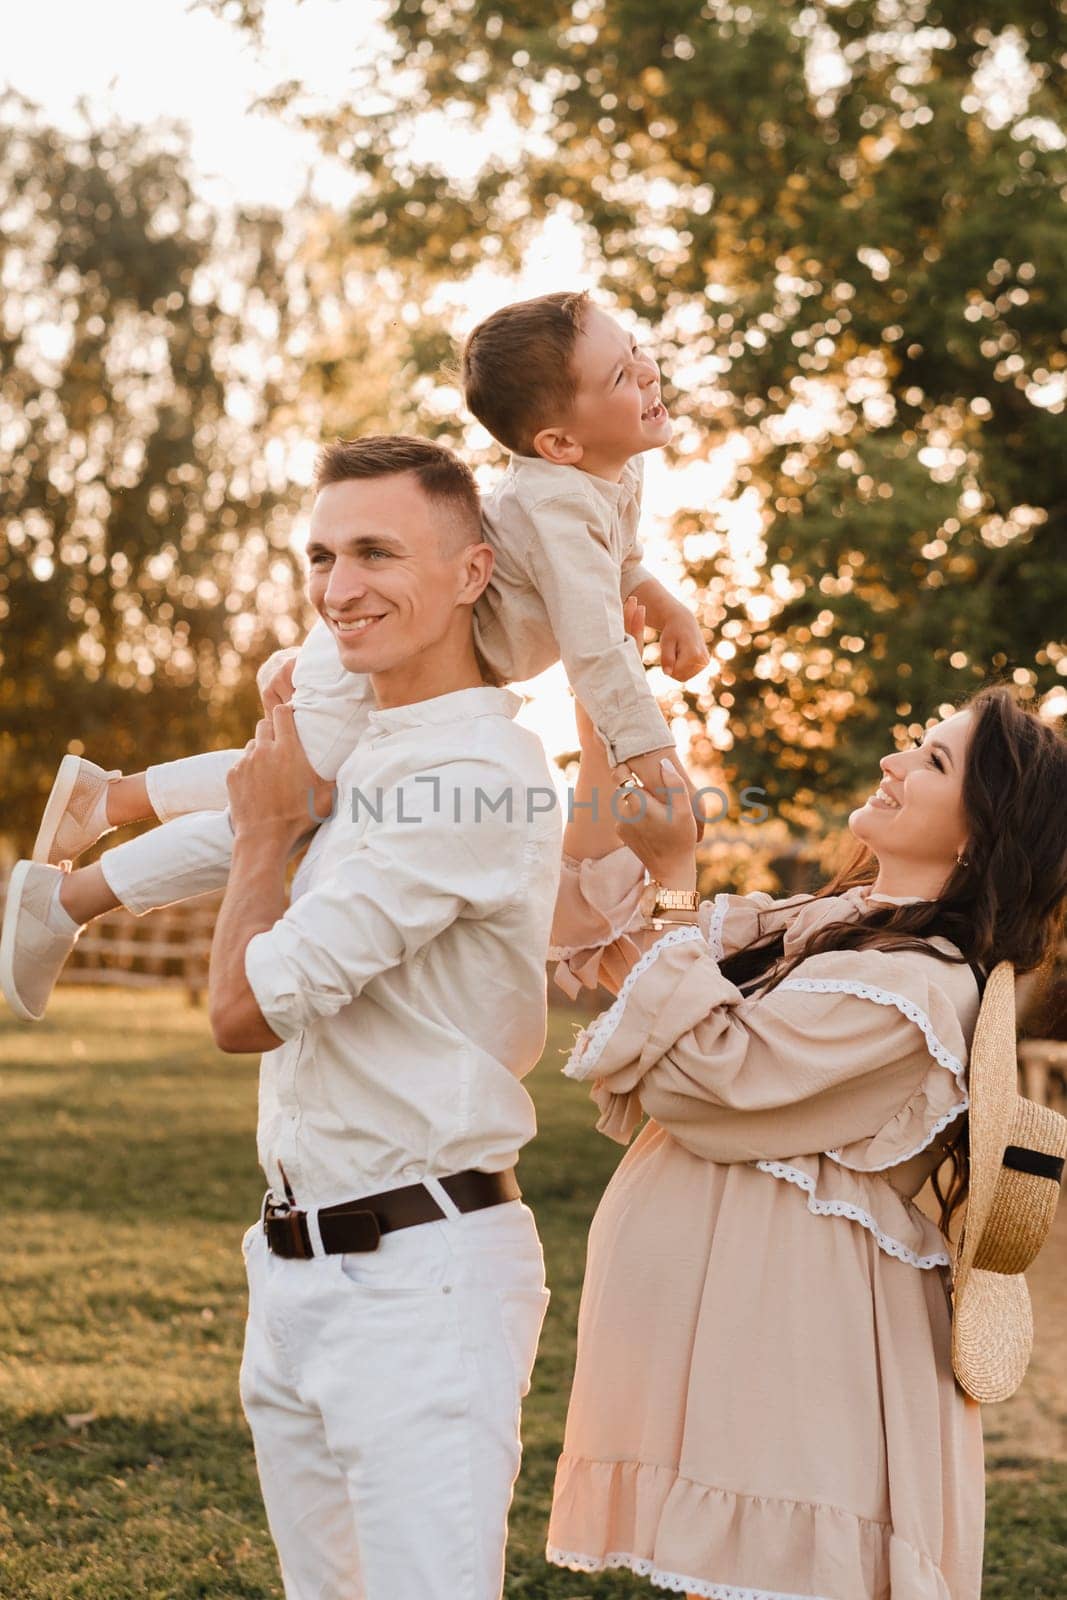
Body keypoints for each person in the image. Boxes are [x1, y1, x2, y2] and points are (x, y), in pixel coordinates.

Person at [9, 437, 565, 1600]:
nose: (337, 586)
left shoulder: (480, 773)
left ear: (471, 573)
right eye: (319, 556)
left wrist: (265, 836)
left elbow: (244, 1010)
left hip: (424, 1279)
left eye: (373, 552)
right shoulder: (358, 752)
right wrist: (251, 822)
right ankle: (55, 903)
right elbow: (244, 824)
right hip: (294, 1263)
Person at [544, 612, 1067, 1600]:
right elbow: (596, 933)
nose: (892, 756)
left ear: (981, 822)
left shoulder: (917, 986)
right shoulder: (831, 924)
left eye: (930, 757)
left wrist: (672, 878)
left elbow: (709, 1078)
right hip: (737, 1339)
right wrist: (595, 707)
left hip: (796, 1346)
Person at [1, 291, 708, 1022]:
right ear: (559, 443)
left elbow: (619, 560)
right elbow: (595, 647)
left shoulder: (613, 474)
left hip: (422, 660)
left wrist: (667, 607)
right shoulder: (557, 504)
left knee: (303, 808)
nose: (649, 374)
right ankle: (110, 805)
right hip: (385, 648)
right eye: (622, 375)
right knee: (291, 796)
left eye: (637, 353)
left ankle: (74, 890)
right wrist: (648, 756)